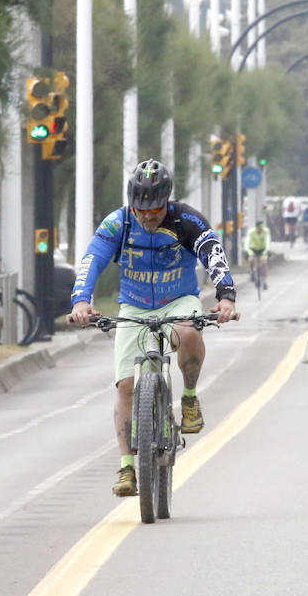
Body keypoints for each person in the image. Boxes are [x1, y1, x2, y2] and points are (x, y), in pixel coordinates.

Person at [67, 160, 239, 497]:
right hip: (133, 305)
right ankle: (127, 468)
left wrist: (226, 297)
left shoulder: (186, 220)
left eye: (155, 209)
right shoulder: (118, 223)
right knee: (126, 385)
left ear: (167, 202)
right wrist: (80, 301)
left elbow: (213, 255)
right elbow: (92, 259)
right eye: (141, 209)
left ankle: (189, 398)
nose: (147, 216)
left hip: (178, 300)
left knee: (189, 332)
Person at [245, 219, 271, 287]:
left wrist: (266, 250)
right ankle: (252, 273)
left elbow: (268, 241)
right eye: (259, 228)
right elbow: (247, 242)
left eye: (261, 228)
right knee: (251, 260)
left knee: (264, 263)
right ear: (256, 227)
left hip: (262, 249)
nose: (260, 230)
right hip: (253, 249)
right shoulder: (251, 232)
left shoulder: (266, 231)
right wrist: (248, 250)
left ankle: (265, 281)